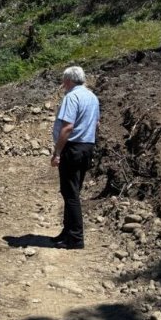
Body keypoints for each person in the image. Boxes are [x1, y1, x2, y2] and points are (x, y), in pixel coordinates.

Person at [50, 65, 100, 249]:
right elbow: (96, 123)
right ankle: (67, 232)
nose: (63, 84)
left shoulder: (72, 97)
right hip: (87, 146)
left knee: (70, 194)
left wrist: (57, 152)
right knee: (73, 192)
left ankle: (75, 238)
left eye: (64, 80)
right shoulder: (92, 97)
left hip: (73, 148)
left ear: (69, 80)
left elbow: (67, 127)